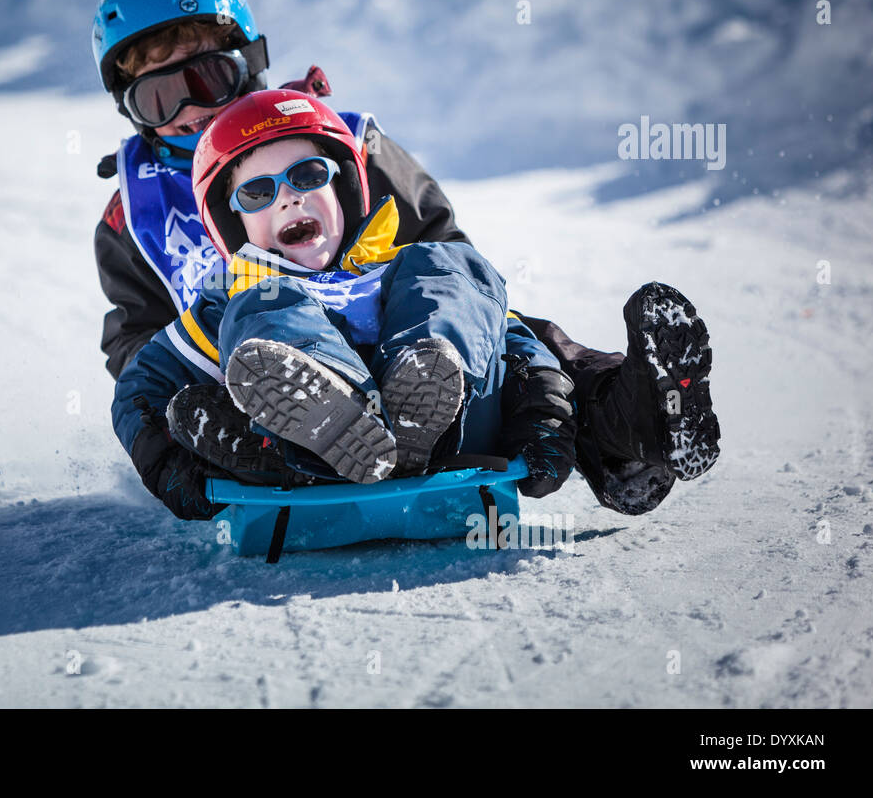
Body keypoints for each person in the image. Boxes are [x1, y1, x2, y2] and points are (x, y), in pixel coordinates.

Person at [92, 0, 720, 519]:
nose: (191, 111)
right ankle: (311, 425)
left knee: (527, 339)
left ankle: (631, 427)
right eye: (159, 97)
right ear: (131, 109)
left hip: (415, 349)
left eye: (205, 79)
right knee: (216, 381)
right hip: (263, 377)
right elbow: (139, 346)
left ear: (249, 65)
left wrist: (517, 365)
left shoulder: (342, 141)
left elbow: (447, 253)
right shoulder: (132, 217)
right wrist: (169, 435)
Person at [112, 90, 576, 515]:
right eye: (257, 192)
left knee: (448, 262)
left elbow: (509, 338)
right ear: (233, 224)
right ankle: (333, 406)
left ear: (343, 188)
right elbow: (141, 387)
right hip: (307, 462)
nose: (289, 199)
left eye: (307, 175)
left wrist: (542, 404)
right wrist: (165, 461)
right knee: (266, 299)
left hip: (460, 429)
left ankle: (425, 374)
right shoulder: (236, 299)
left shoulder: (397, 269)